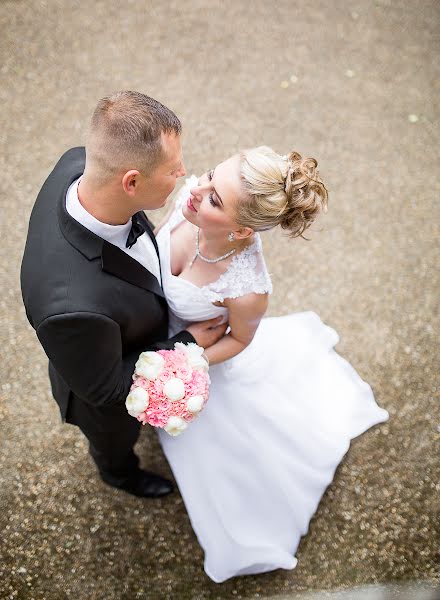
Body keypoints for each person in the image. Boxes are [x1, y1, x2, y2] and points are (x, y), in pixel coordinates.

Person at [153, 147, 389, 581]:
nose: (196, 189)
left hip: (204, 359)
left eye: (214, 199)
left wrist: (186, 360)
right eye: (209, 175)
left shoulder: (247, 290)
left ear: (242, 230)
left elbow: (240, 338)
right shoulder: (190, 198)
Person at [20, 91, 226, 498]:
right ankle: (120, 475)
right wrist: (187, 343)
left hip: (127, 324)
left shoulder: (79, 165)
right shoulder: (71, 308)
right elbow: (106, 388)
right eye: (172, 170)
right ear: (130, 182)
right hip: (102, 391)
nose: (184, 173)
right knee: (114, 442)